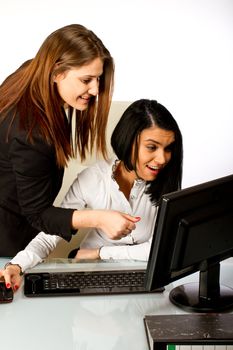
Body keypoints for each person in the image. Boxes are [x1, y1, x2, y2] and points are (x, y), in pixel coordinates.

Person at [0, 99, 183, 290]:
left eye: (168, 148)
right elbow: (50, 235)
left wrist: (100, 252)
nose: (162, 159)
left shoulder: (164, 183)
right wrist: (17, 265)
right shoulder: (93, 178)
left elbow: (159, 251)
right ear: (128, 141)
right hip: (92, 277)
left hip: (143, 279)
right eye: (152, 147)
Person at [0, 24, 139, 258]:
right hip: (5, 241)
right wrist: (100, 217)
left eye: (98, 79)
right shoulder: (30, 134)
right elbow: (38, 213)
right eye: (86, 80)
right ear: (56, 73)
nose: (95, 90)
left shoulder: (31, 74)